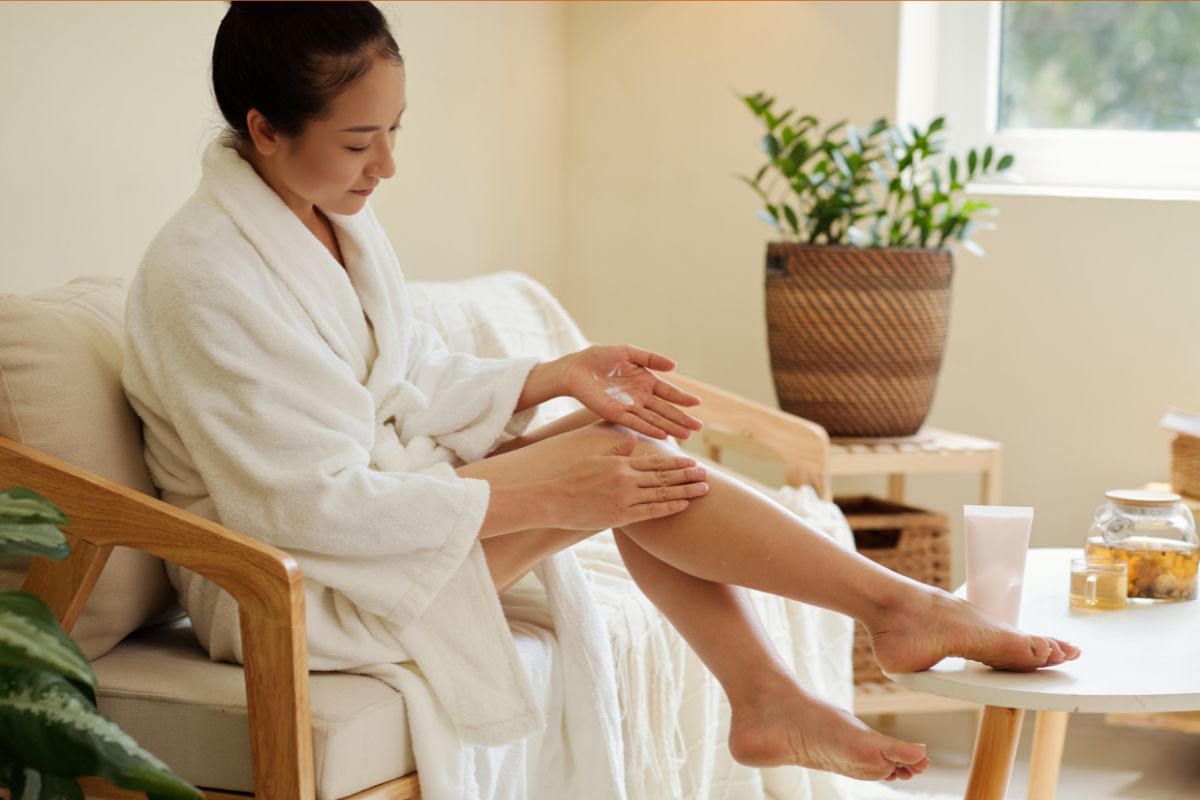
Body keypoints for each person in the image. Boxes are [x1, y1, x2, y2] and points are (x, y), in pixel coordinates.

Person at [121, 2, 1080, 797]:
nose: (387, 167)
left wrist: (556, 375)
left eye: (396, 131)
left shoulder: (326, 219)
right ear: (263, 128)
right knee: (625, 470)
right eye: (360, 140)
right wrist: (545, 490)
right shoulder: (203, 276)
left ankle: (792, 682)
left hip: (384, 524)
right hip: (293, 584)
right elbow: (301, 504)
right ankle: (879, 621)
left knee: (626, 444)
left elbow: (407, 376)